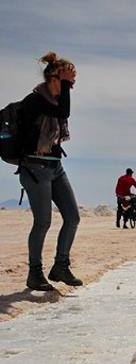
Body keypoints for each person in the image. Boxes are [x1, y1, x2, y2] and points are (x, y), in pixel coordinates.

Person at [17, 52, 81, 291]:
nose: (71, 86)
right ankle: (35, 273)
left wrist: (65, 84)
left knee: (73, 217)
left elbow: (61, 112)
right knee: (43, 222)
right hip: (35, 168)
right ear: (54, 78)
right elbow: (64, 112)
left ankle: (60, 266)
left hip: (55, 166)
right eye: (67, 80)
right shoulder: (35, 101)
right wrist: (64, 84)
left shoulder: (54, 103)